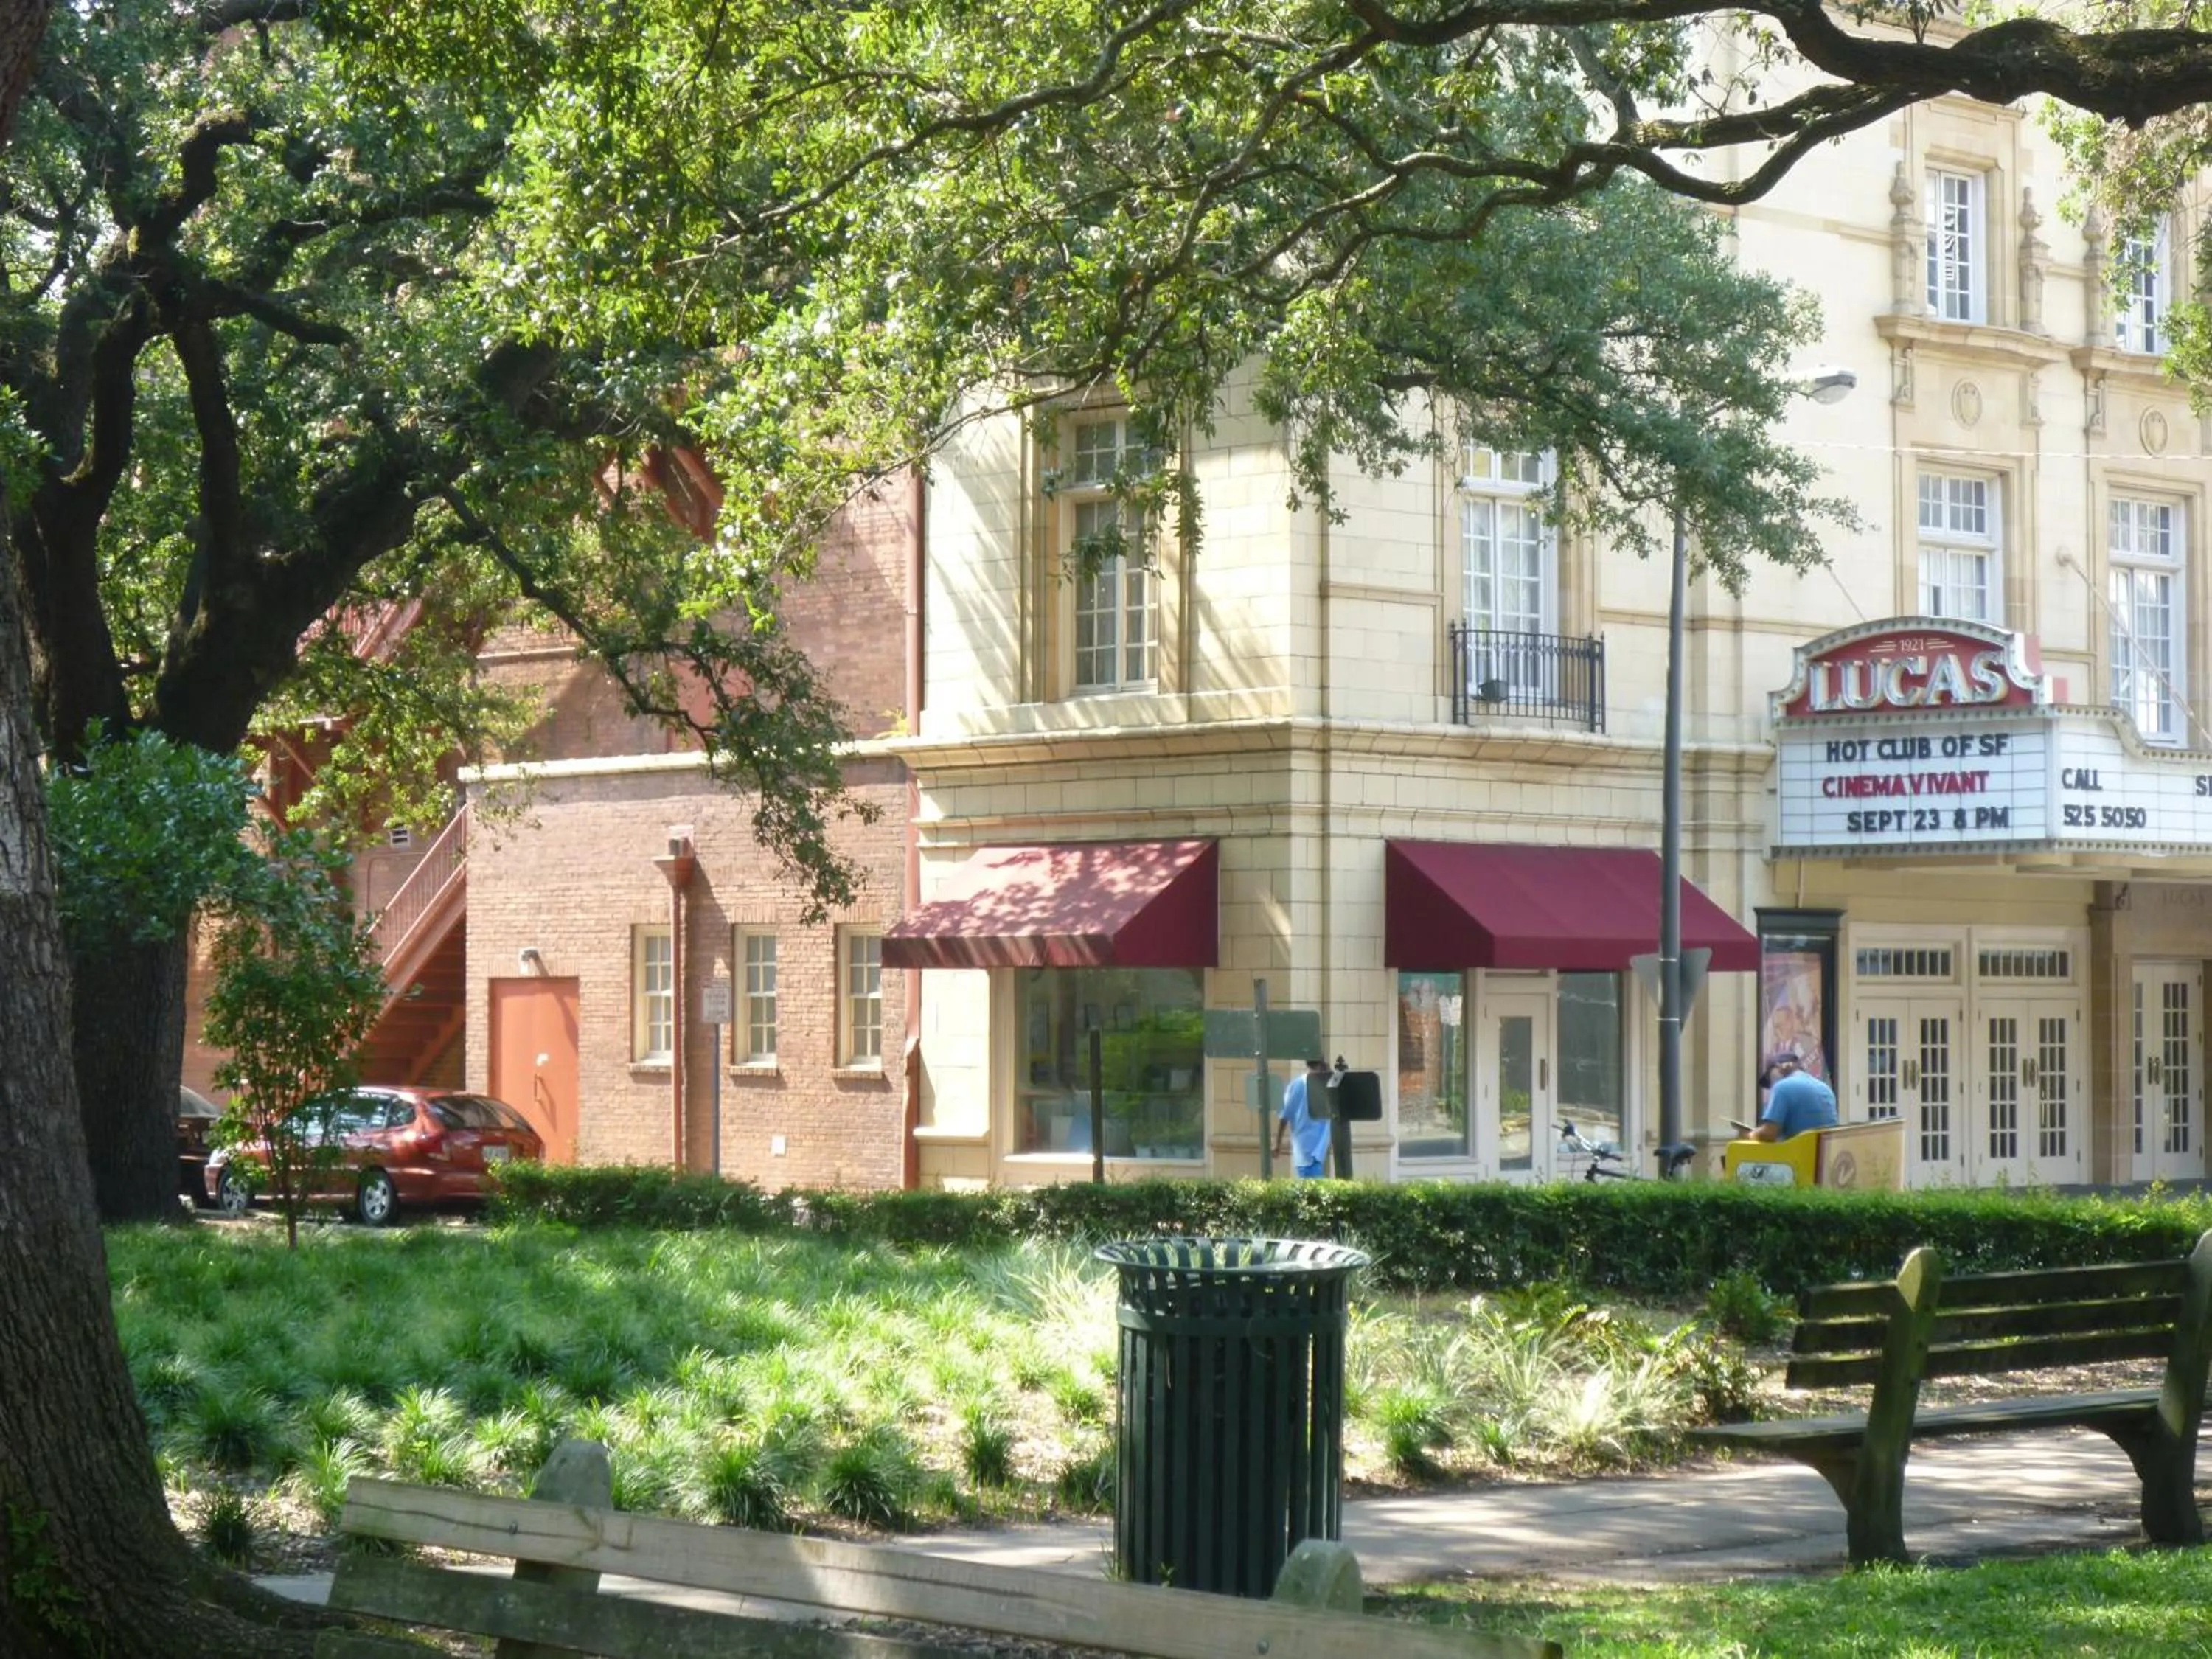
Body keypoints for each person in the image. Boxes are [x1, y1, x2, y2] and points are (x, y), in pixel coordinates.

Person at [1753, 1050, 1838, 1141]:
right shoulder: (1824, 1088)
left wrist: (1753, 1134)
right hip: (1825, 1152)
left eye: (1769, 1079)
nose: (1771, 1085)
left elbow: (1768, 1134)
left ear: (1779, 1068)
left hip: (1799, 1152)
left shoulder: (1782, 1087)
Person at [1273, 1059, 1334, 1178]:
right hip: (1306, 1151)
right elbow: (1285, 1115)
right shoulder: (1298, 1085)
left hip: (1319, 1151)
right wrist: (1277, 1143)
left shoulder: (1325, 1085)